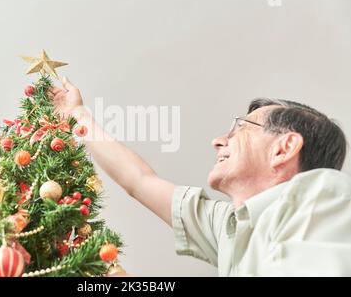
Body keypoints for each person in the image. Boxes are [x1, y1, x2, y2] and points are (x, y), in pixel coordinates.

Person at [48, 77, 351, 276]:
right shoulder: (232, 226)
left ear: (283, 148)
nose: (218, 140)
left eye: (241, 128)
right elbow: (140, 181)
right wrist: (78, 115)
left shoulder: (325, 193)